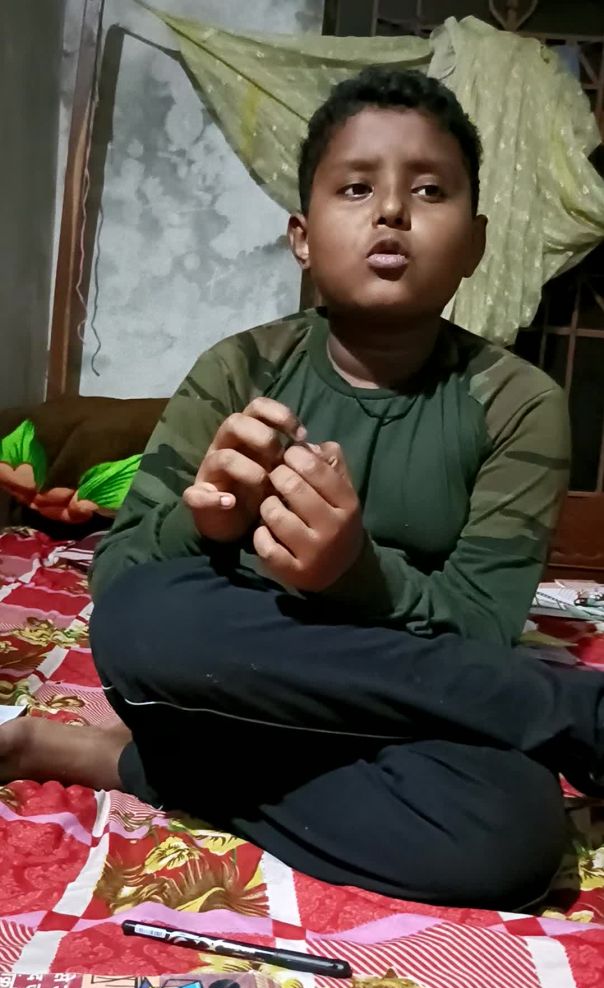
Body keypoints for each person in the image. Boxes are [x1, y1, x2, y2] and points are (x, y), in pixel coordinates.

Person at [1, 68, 602, 911]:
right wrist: (207, 528)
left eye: (429, 190)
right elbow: (120, 579)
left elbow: (481, 627)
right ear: (303, 238)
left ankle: (130, 763)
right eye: (355, 188)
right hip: (232, 679)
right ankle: (571, 712)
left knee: (512, 838)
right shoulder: (239, 370)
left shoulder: (518, 403)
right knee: (145, 619)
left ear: (474, 245)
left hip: (408, 702)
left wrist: (354, 572)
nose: (390, 211)